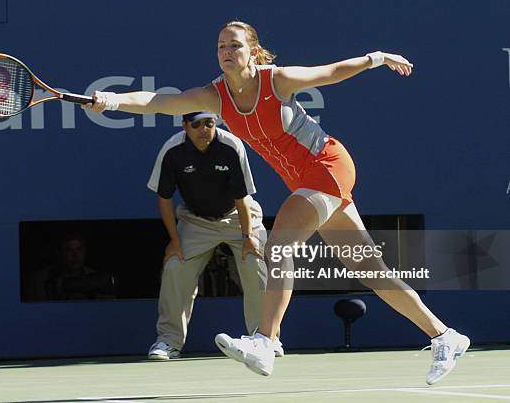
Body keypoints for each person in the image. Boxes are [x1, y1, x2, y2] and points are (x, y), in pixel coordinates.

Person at [82, 21, 469, 384]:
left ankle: (265, 340)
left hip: (327, 165)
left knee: (280, 244)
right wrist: (111, 100)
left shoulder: (277, 80)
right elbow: (158, 101)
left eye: (235, 45)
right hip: (304, 181)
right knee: (370, 268)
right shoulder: (214, 95)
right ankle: (445, 335)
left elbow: (331, 72)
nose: (226, 52)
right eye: (221, 46)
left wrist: (377, 58)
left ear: (253, 52)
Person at [146, 111, 283, 360]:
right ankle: (168, 341)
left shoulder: (231, 146)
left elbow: (241, 198)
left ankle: (266, 339)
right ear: (185, 126)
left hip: (238, 216)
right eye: (196, 124)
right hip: (195, 221)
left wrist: (248, 236)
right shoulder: (172, 150)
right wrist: (175, 242)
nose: (203, 130)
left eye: (209, 123)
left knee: (256, 263)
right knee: (176, 266)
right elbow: (164, 199)